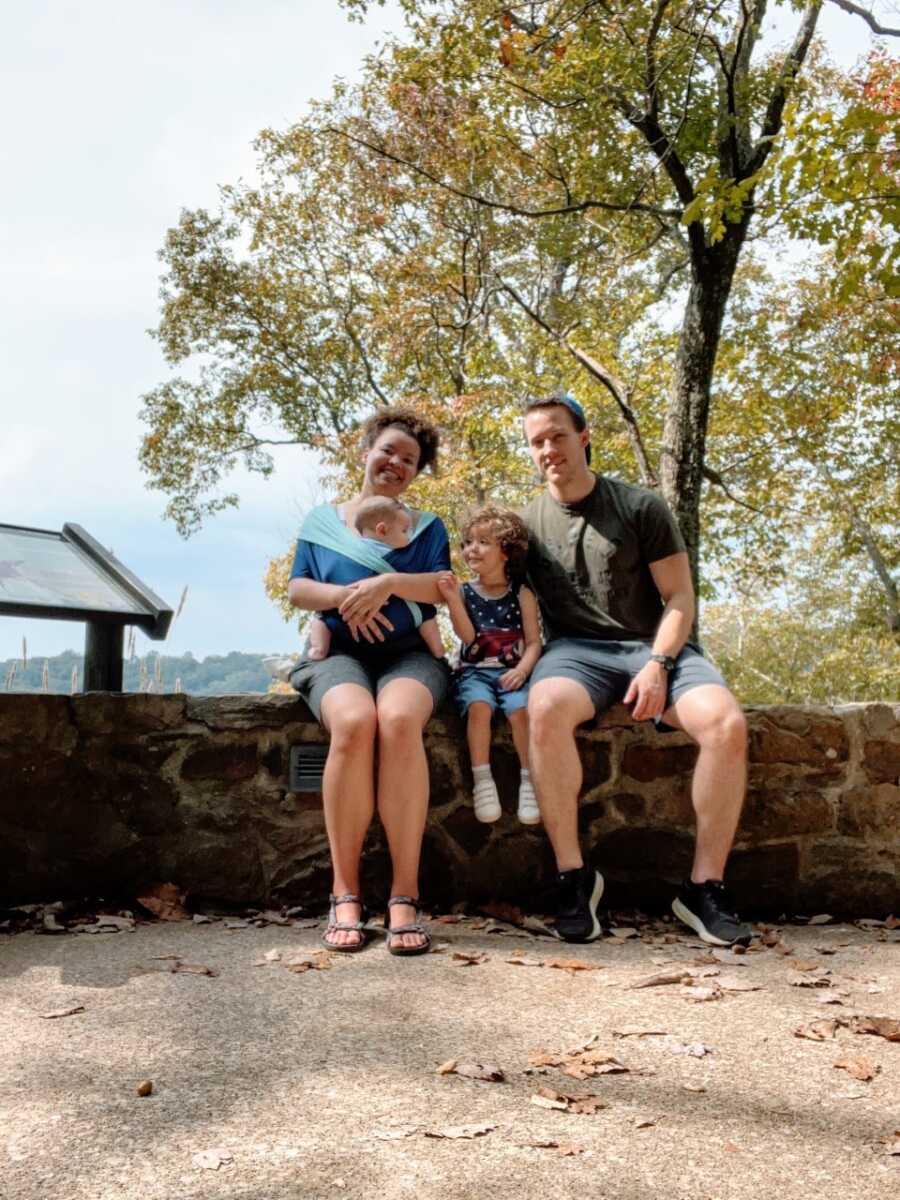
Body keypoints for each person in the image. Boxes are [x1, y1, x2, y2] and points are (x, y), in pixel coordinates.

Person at [521, 393, 752, 946]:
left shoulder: (640, 506)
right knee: (545, 707)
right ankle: (574, 879)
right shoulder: (525, 521)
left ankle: (703, 888)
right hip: (575, 652)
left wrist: (657, 665)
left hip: (654, 647)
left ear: (583, 436)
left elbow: (679, 598)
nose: (548, 449)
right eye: (537, 442)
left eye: (557, 435)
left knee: (726, 726)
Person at [287, 406, 451, 956]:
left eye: (410, 460)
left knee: (399, 721)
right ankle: (345, 892)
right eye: (389, 451)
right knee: (356, 723)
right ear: (366, 452)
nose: (397, 464)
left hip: (409, 655)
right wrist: (347, 598)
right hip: (339, 655)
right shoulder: (320, 522)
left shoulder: (426, 528)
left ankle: (405, 895)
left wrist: (387, 583)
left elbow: (438, 589)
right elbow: (299, 590)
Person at [437, 506, 542, 825]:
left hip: (513, 672)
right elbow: (468, 637)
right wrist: (454, 600)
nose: (472, 549)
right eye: (468, 542)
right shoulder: (467, 592)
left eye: (483, 542)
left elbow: (534, 641)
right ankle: (483, 781)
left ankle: (529, 780)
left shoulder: (522, 594)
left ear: (506, 551)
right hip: (474, 673)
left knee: (521, 711)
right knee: (479, 708)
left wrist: (523, 670)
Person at [306, 497, 446, 662]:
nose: (408, 538)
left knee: (321, 619)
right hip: (361, 619)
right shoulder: (400, 556)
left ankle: (318, 649)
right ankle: (438, 649)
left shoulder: (347, 553)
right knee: (426, 616)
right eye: (404, 531)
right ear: (382, 530)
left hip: (347, 621)